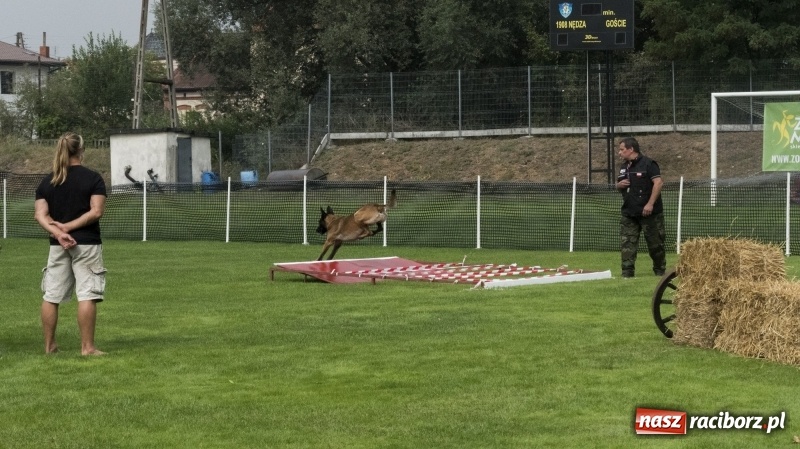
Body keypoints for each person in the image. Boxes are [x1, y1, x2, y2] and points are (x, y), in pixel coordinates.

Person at [34, 132, 107, 355]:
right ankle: (88, 348)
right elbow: (96, 212)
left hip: (57, 246)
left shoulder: (48, 181)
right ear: (81, 151)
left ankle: (49, 346)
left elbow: (40, 215)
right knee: (87, 294)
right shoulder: (93, 178)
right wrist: (67, 229)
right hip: (86, 244)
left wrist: (58, 232)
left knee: (51, 296)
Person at [615, 137, 666, 278]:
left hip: (649, 213)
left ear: (631, 149)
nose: (619, 153)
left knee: (655, 245)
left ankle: (660, 271)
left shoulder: (649, 164)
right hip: (629, 213)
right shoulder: (624, 166)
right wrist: (618, 186)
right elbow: (619, 185)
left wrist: (650, 204)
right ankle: (627, 273)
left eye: (621, 149)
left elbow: (658, 183)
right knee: (627, 245)